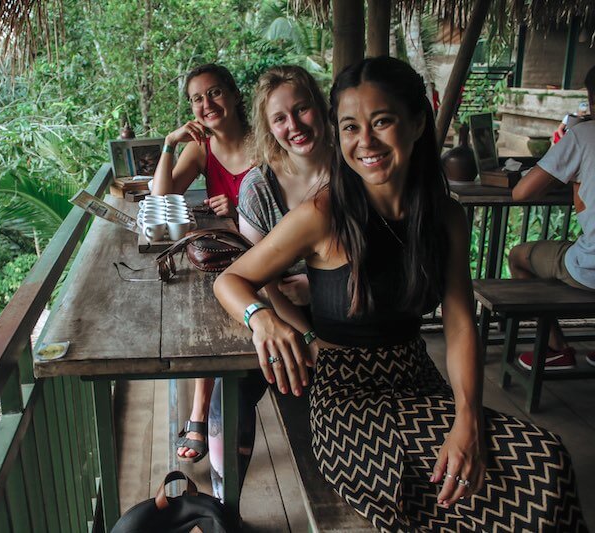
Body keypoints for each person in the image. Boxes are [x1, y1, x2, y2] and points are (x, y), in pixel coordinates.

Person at [214, 56, 587, 532]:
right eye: (349, 127)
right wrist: (261, 318)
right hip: (349, 404)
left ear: (415, 124)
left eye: (382, 121)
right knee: (512, 479)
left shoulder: (445, 216)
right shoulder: (324, 213)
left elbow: (458, 325)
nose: (364, 141)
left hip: (418, 380)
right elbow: (230, 279)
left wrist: (467, 418)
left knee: (544, 461)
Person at [207, 65, 331, 498]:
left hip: (347, 310)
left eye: (302, 110)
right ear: (267, 126)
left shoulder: (352, 171)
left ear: (321, 108)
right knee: (238, 384)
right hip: (280, 311)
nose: (293, 126)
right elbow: (256, 280)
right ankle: (228, 504)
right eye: (280, 118)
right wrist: (303, 330)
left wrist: (316, 290)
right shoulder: (259, 187)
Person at [152, 63, 254, 463]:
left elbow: (286, 196)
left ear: (233, 94)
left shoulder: (262, 139)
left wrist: (244, 203)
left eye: (214, 93)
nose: (206, 104)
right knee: (204, 308)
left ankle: (212, 417)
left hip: (270, 245)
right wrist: (169, 144)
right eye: (197, 98)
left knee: (218, 304)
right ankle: (203, 411)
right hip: (229, 251)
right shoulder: (201, 147)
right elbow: (162, 201)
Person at [508, 64, 595, 372]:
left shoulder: (583, 134)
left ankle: (555, 347)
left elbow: (522, 193)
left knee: (518, 256)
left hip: (590, 270)